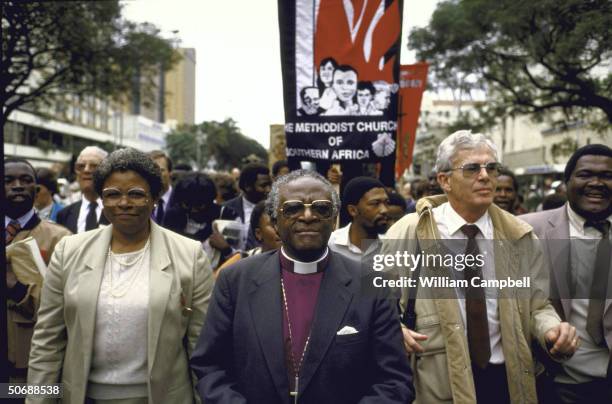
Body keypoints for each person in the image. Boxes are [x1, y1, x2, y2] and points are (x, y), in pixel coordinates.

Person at [382, 130, 577, 403]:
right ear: (444, 180)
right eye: (472, 168)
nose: (485, 176)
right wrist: (394, 331)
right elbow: (373, 305)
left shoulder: (518, 235)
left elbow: (537, 306)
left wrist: (551, 331)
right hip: (437, 382)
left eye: (492, 168)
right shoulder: (410, 232)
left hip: (506, 381)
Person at [191, 170, 415, 403]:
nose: (308, 216)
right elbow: (210, 366)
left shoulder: (371, 283)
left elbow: (395, 380)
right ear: (275, 220)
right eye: (293, 208)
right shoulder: (235, 280)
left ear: (334, 218)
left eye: (321, 208)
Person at [27, 148, 214, 403]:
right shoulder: (69, 251)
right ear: (101, 199)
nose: (124, 203)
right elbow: (47, 342)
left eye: (136, 194)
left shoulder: (189, 256)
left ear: (155, 198)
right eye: (112, 194)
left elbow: (201, 349)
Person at [521, 144, 612, 403]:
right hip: (554, 382)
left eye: (607, 176)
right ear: (567, 181)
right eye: (585, 174)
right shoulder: (528, 229)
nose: (596, 183)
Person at [5, 158, 71, 383]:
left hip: (33, 367)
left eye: (26, 180)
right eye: (8, 180)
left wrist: (16, 287)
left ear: (37, 188)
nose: (17, 185)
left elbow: (69, 306)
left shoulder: (61, 239)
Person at [163, 172, 239, 266]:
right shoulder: (173, 216)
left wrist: (226, 249)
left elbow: (240, 260)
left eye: (199, 206)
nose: (194, 210)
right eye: (187, 205)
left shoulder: (227, 216)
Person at [328, 176, 390, 262]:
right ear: (353, 210)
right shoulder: (329, 245)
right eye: (375, 203)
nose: (384, 210)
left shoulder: (391, 248)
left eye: (386, 203)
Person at [215, 201, 282, 275]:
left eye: (282, 223)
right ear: (258, 233)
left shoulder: (296, 262)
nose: (280, 230)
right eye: (273, 224)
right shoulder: (239, 263)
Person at [56, 146, 109, 233]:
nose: (86, 170)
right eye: (81, 166)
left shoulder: (118, 212)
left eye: (94, 166)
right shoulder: (64, 215)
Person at [223, 163, 272, 250]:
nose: (269, 190)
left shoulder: (275, 208)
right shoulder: (227, 209)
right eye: (263, 186)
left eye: (270, 185)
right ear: (247, 186)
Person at [148, 150, 173, 225]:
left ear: (170, 173)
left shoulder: (180, 200)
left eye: (161, 170)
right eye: (152, 170)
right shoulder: (142, 201)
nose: (156, 174)